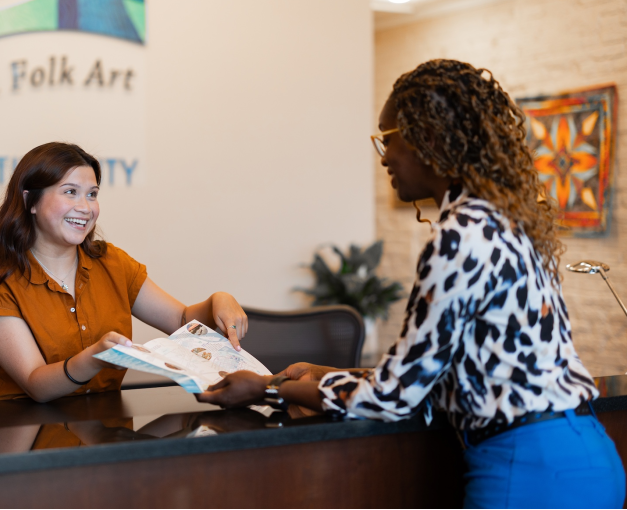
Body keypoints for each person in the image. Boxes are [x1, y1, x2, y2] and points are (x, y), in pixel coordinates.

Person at [197, 60, 626, 509]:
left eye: (389, 138)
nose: (384, 156)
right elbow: (440, 376)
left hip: (529, 472)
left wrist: (266, 388)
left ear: (431, 137)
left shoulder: (460, 235)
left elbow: (395, 397)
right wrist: (322, 374)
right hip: (586, 453)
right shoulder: (507, 222)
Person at [0, 142, 248, 402]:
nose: (85, 207)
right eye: (70, 192)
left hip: (104, 427)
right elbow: (35, 384)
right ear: (30, 201)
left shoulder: (112, 263)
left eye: (92, 194)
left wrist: (216, 303)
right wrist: (95, 358)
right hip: (26, 436)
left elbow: (182, 321)